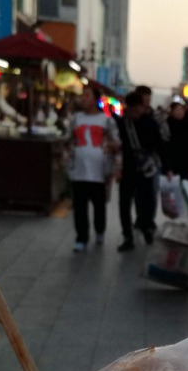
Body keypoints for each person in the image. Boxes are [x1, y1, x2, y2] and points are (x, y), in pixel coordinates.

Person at [67, 86, 120, 252]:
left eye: (87, 95)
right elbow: (68, 138)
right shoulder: (76, 118)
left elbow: (117, 143)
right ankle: (81, 237)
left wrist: (112, 151)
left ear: (95, 99)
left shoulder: (106, 120)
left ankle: (99, 230)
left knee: (99, 206)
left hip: (99, 172)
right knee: (80, 207)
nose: (83, 99)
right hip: (79, 171)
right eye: (82, 96)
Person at [115, 90, 163, 249]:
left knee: (146, 203)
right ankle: (127, 237)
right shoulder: (122, 123)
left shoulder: (150, 123)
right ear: (128, 108)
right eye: (132, 110)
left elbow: (159, 145)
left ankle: (146, 227)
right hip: (127, 169)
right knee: (124, 204)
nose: (136, 113)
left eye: (138, 109)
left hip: (145, 170)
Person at [160, 99, 188, 179]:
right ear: (172, 112)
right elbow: (164, 148)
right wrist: (167, 168)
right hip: (172, 165)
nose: (180, 112)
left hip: (186, 165)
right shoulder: (167, 125)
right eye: (177, 110)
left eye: (181, 109)